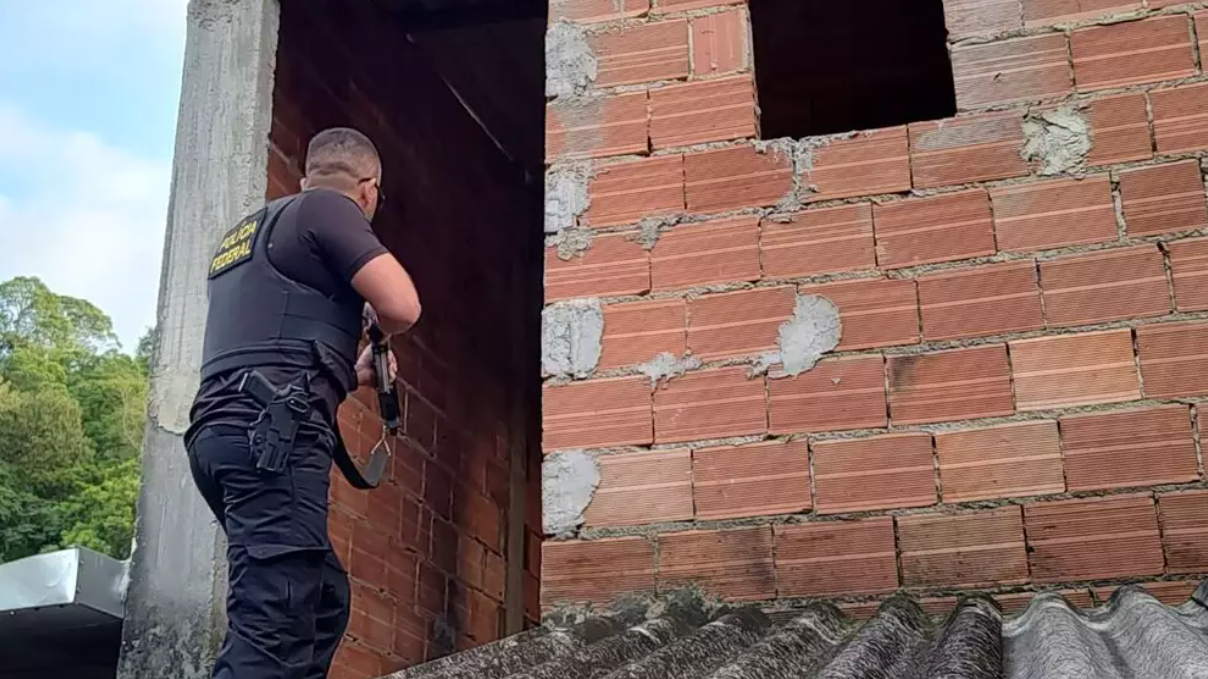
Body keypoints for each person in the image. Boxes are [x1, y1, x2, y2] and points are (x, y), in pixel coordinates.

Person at [185, 127, 422, 679]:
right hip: (270, 441)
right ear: (368, 189)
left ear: (303, 178)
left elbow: (266, 348)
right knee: (275, 621)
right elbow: (403, 306)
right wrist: (377, 324)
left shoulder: (244, 233)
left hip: (222, 436)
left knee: (319, 600)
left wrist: (350, 375)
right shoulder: (329, 209)